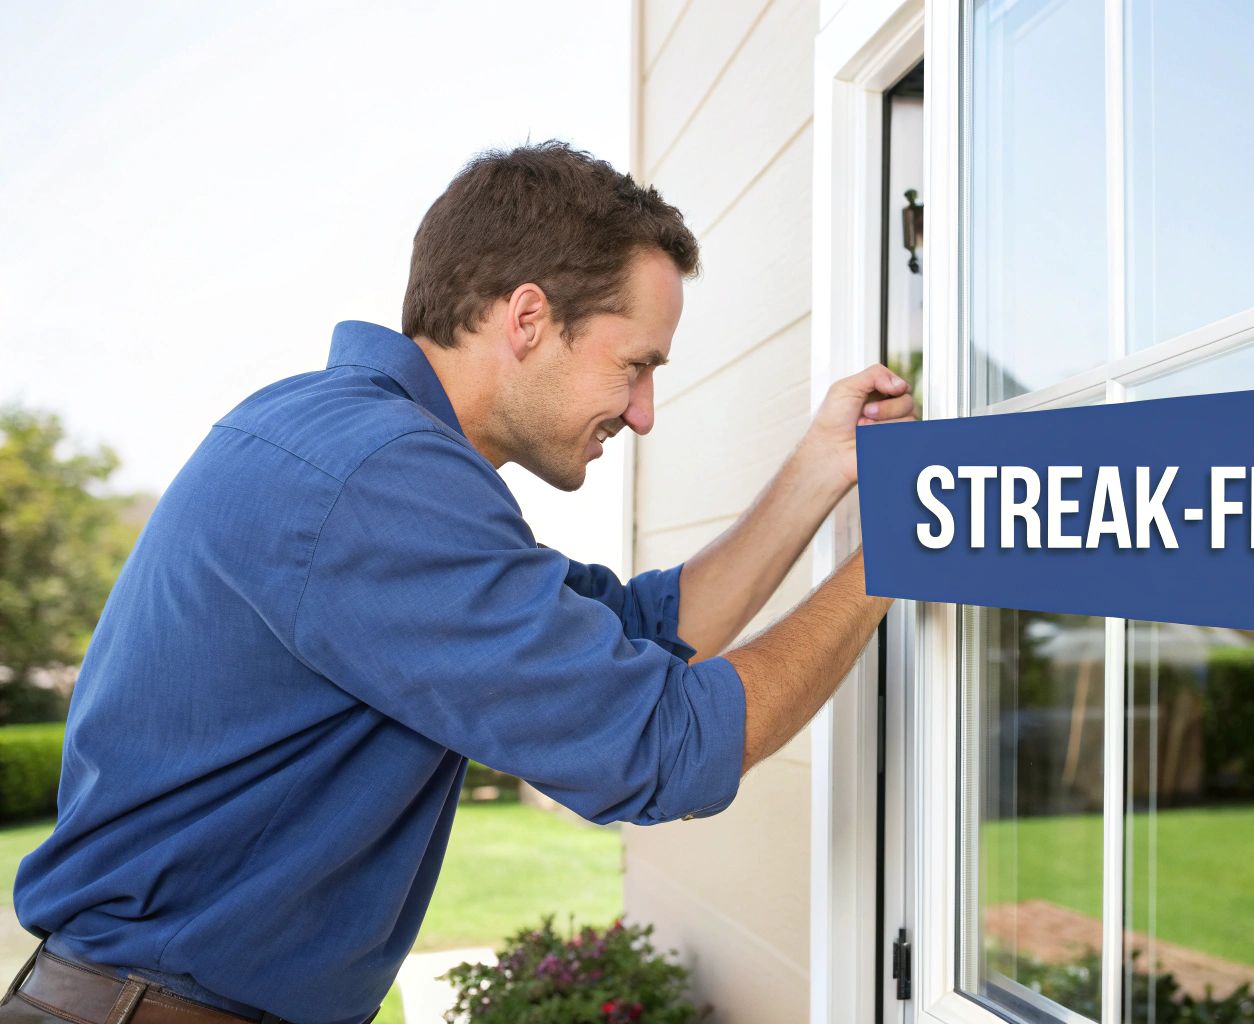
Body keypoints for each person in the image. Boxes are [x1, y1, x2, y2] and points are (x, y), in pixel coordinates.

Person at [1, 141, 910, 1024]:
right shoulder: (376, 480)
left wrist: (818, 472)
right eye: (634, 365)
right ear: (526, 318)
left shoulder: (350, 442)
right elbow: (661, 743)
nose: (642, 413)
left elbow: (645, 631)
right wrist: (907, 554)